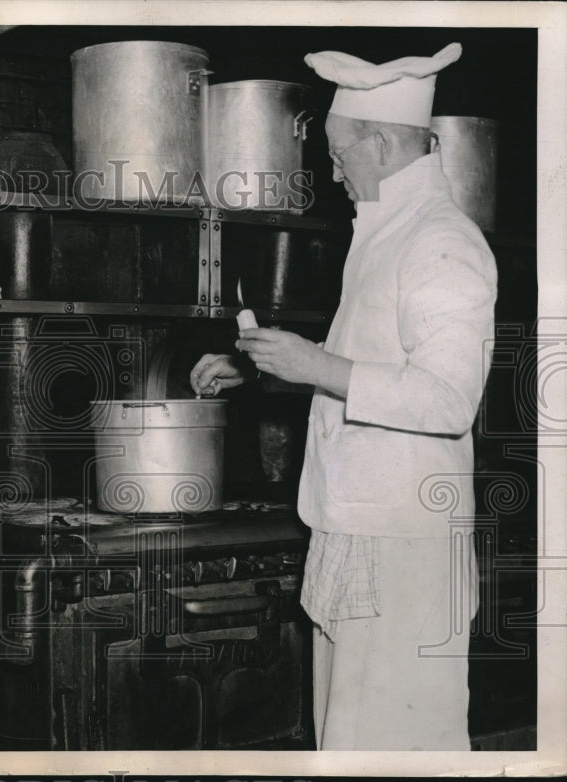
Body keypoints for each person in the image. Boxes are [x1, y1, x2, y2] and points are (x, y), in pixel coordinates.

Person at [190, 43, 497, 750]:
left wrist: (317, 362)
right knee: (352, 742)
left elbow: (448, 400)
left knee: (393, 750)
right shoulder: (384, 237)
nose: (332, 174)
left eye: (338, 155)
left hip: (402, 549)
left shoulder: (442, 243)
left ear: (382, 144)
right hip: (360, 533)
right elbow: (360, 373)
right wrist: (266, 371)